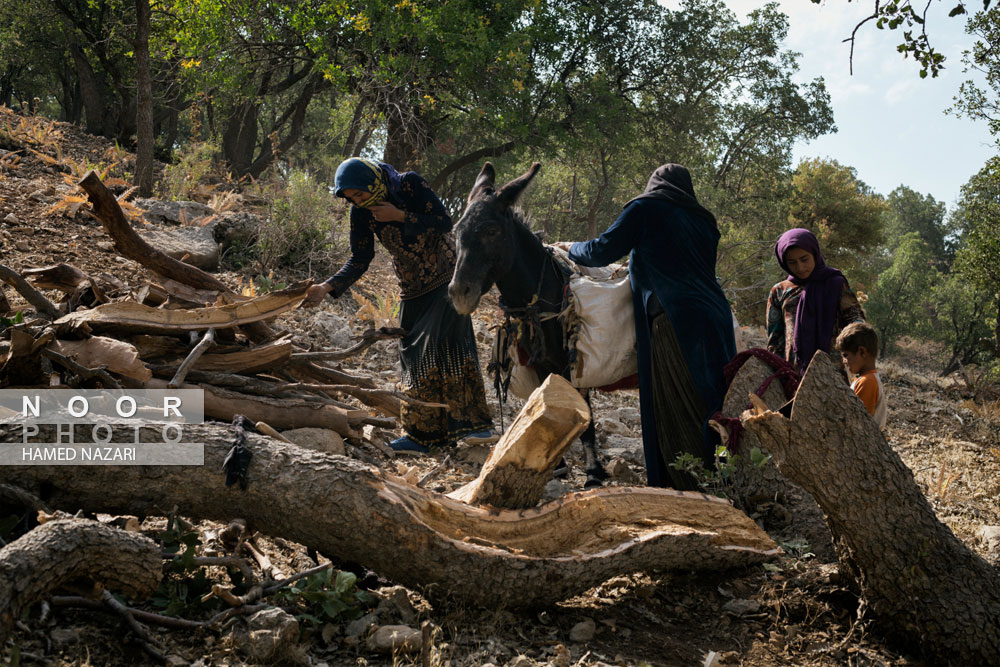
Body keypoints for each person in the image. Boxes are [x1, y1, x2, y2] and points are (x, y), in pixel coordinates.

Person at [300, 158, 494, 453]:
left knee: (447, 345)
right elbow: (360, 259)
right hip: (411, 287)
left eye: (359, 193)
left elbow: (445, 221)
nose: (358, 200)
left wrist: (401, 215)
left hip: (446, 278)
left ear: (372, 181)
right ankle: (423, 436)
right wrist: (326, 287)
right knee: (412, 353)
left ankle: (475, 427)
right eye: (351, 198)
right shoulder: (361, 214)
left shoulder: (409, 184)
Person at [565, 163, 736, 490]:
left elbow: (601, 250)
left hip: (674, 318)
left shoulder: (645, 208)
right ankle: (727, 478)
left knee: (676, 402)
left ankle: (688, 486)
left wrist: (569, 248)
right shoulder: (705, 222)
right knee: (713, 399)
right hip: (717, 317)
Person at [767, 228, 866, 373]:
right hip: (792, 373)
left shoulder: (835, 284)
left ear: (814, 253)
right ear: (784, 263)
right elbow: (775, 340)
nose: (800, 267)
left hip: (832, 371)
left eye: (804, 259)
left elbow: (855, 319)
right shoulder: (779, 292)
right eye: (792, 262)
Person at [836, 321, 887, 428]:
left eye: (846, 355)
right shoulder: (864, 379)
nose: (844, 361)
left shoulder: (867, 382)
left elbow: (858, 424)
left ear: (862, 352)